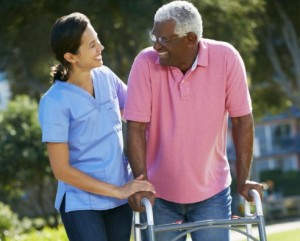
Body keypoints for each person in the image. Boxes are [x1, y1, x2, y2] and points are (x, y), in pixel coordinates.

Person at [124, 1, 264, 241]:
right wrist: (141, 184)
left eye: (164, 40)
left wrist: (243, 179)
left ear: (190, 39)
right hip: (158, 196)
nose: (156, 45)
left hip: (212, 193)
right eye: (154, 37)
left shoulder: (227, 58)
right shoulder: (145, 63)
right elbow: (135, 127)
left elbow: (242, 120)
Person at [38, 12, 155, 241]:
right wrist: (118, 190)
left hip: (120, 198)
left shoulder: (106, 76)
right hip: (82, 203)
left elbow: (137, 113)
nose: (100, 47)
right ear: (71, 56)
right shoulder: (54, 102)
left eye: (97, 39)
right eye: (92, 45)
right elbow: (61, 170)